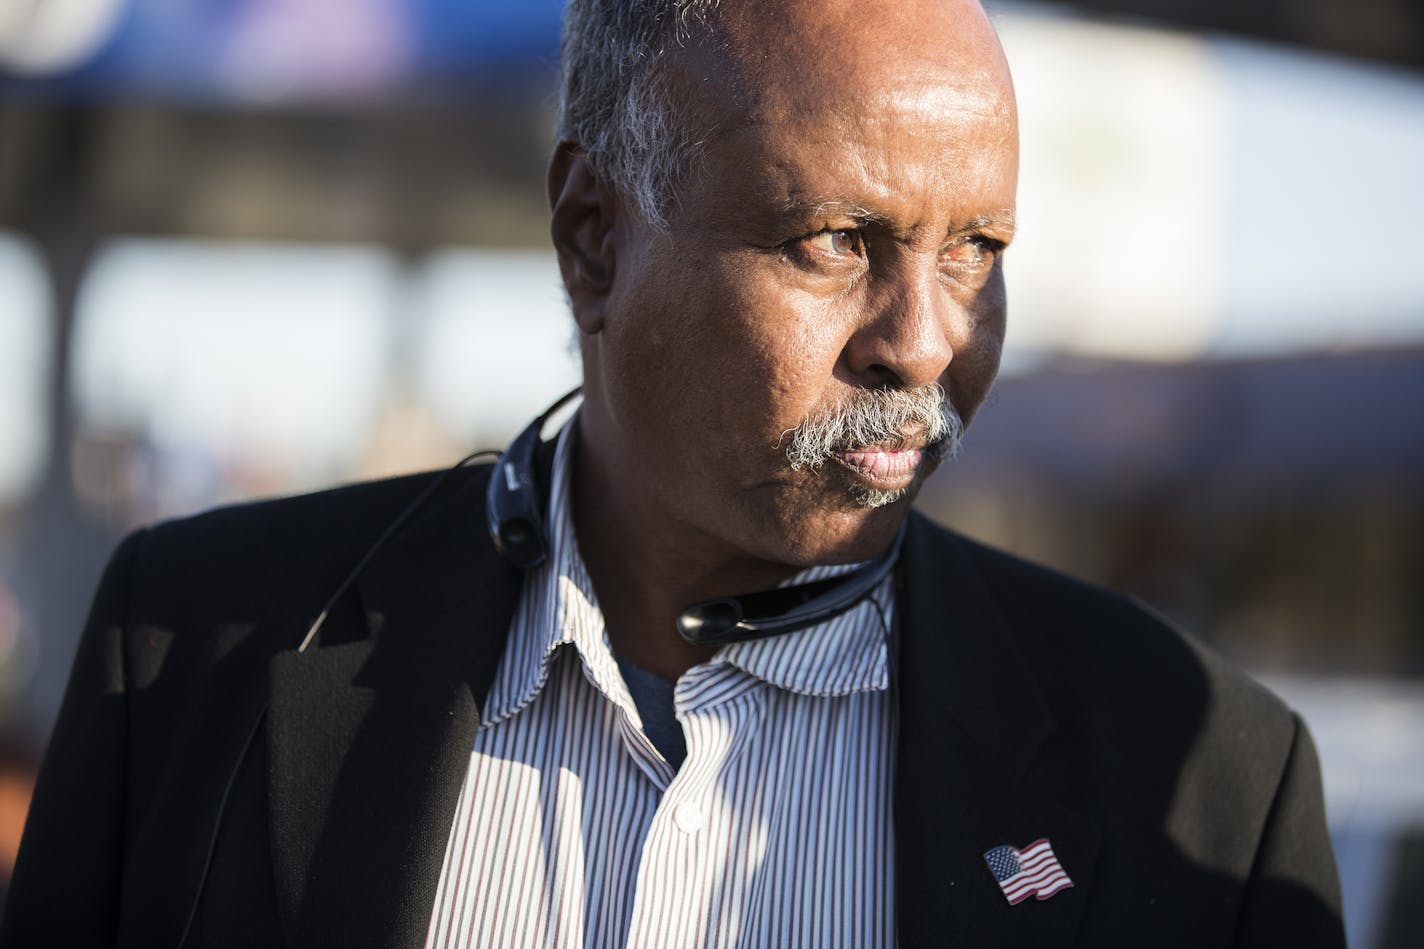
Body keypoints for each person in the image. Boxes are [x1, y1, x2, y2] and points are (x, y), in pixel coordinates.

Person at [3, 0, 1344, 946]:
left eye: (976, 248)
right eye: (834, 240)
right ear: (593, 235)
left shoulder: (1211, 779)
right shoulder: (193, 649)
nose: (925, 339)